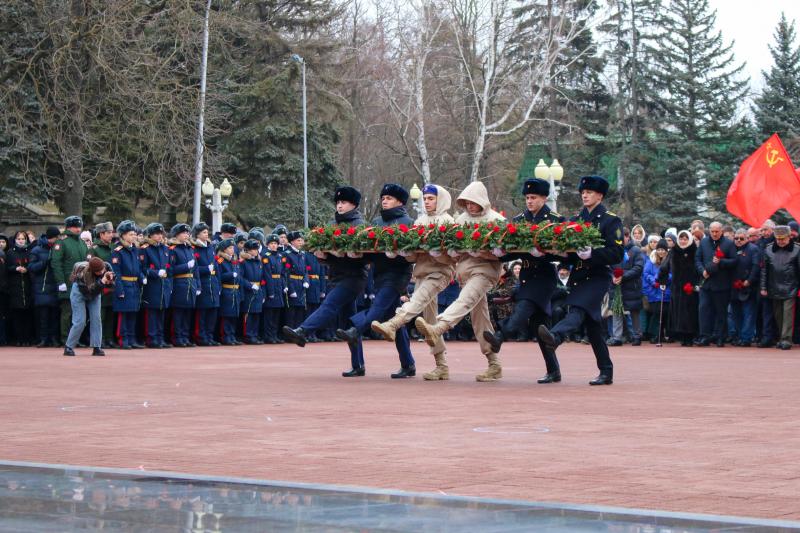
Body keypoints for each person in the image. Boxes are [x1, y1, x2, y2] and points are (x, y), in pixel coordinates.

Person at [415, 180, 506, 382]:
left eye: (473, 202)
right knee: (479, 318)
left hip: (485, 273)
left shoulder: (496, 220)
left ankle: (439, 326)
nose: (470, 206)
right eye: (467, 202)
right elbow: (452, 251)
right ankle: (494, 364)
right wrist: (453, 253)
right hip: (465, 273)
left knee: (463, 300)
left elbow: (504, 253)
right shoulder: (461, 219)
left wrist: (487, 253)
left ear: (482, 201)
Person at [537, 176, 623, 386]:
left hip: (598, 276)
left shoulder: (610, 220)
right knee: (593, 329)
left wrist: (592, 254)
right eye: (583, 192)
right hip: (579, 276)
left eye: (590, 192)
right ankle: (606, 371)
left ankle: (555, 337)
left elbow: (617, 252)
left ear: (600, 196)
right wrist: (552, 252)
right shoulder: (576, 220)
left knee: (576, 309)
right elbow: (568, 252)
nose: (585, 195)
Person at [370, 183, 456, 379]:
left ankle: (393, 324)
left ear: (440, 199)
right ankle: (441, 366)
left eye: (431, 198)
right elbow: (414, 256)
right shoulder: (419, 222)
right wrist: (404, 253)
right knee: (430, 322)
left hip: (440, 272)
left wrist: (438, 254)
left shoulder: (448, 221)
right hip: (423, 272)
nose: (427, 202)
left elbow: (453, 256)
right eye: (424, 199)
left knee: (416, 301)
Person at [283, 186, 370, 377]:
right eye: (338, 202)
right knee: (350, 323)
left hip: (354, 277)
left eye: (344, 202)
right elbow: (330, 256)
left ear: (353, 204)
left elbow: (365, 256)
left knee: (330, 304)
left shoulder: (359, 225)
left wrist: (345, 253)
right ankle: (358, 364)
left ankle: (303, 331)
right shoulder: (332, 224)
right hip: (337, 275)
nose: (340, 205)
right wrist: (322, 255)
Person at [334, 184, 417, 378]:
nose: (384, 200)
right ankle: (408, 364)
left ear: (400, 201)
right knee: (394, 321)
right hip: (379, 274)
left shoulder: (409, 222)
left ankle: (356, 329)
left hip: (398, 274)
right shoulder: (377, 222)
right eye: (383, 197)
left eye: (389, 198)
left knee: (378, 307)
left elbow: (412, 252)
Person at [483, 178, 563, 355]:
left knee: (524, 305)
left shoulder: (554, 220)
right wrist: (501, 253)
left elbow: (561, 251)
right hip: (526, 274)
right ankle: (553, 370)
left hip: (544, 275)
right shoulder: (520, 219)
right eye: (527, 197)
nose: (529, 201)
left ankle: (500, 335)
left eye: (533, 197)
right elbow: (515, 250)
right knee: (539, 325)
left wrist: (544, 253)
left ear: (544, 198)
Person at [694, 221, 736, 347]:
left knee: (721, 312)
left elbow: (734, 261)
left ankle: (720, 337)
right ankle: (704, 336)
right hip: (706, 284)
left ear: (721, 231)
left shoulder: (728, 244)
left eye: (717, 231)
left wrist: (721, 262)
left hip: (722, 284)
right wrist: (702, 271)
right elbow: (697, 259)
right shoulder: (704, 242)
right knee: (703, 310)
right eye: (712, 231)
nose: (714, 234)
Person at [51, 216, 91, 345]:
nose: (78, 229)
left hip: (82, 282)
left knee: (78, 313)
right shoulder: (61, 242)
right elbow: (56, 263)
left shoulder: (82, 242)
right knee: (67, 312)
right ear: (68, 227)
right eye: (75, 226)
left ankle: (75, 338)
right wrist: (60, 282)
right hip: (68, 282)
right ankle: (65, 338)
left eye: (79, 226)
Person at [760, 225, 800, 350]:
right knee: (778, 315)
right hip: (774, 286)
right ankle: (781, 338)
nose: (780, 241)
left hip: (791, 287)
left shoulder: (797, 250)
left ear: (789, 237)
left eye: (783, 239)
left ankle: (786, 340)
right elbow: (764, 270)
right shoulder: (768, 249)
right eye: (778, 239)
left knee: (788, 314)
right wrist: (763, 287)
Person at [63, 257, 113, 356]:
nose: (103, 271)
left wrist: (110, 281)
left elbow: (112, 285)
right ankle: (68, 347)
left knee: (96, 318)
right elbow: (91, 290)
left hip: (96, 292)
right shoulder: (83, 274)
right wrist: (102, 282)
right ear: (94, 271)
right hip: (80, 292)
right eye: (100, 271)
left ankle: (96, 347)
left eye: (103, 269)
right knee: (80, 321)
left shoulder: (106, 266)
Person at [659, 230, 699, 346]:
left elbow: (698, 267)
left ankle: (690, 336)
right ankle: (682, 336)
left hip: (690, 287)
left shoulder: (694, 251)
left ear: (689, 239)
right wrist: (662, 280)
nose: (683, 241)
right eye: (681, 239)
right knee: (679, 312)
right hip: (677, 287)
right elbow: (664, 266)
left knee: (690, 312)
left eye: (685, 239)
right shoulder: (674, 251)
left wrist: (696, 283)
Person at [111, 220, 144, 349]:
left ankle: (131, 338)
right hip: (124, 284)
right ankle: (123, 338)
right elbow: (116, 272)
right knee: (123, 315)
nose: (134, 236)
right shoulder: (118, 251)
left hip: (134, 285)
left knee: (132, 313)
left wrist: (141, 277)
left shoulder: (135, 250)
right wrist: (120, 289)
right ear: (123, 235)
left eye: (134, 234)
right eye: (131, 234)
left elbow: (139, 267)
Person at [608, 228, 644, 346]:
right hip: (616, 285)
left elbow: (638, 268)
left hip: (631, 286)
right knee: (616, 311)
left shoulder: (636, 251)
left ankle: (637, 335)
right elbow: (608, 267)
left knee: (634, 311)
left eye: (623, 236)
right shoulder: (614, 250)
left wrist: (623, 276)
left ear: (628, 236)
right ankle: (617, 337)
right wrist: (613, 276)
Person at [140, 223, 173, 348]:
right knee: (152, 313)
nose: (159, 236)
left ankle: (160, 338)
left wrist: (169, 284)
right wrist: (155, 273)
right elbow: (143, 268)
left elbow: (169, 267)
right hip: (152, 285)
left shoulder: (165, 249)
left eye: (161, 234)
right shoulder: (145, 249)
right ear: (150, 235)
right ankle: (151, 338)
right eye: (156, 234)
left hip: (164, 284)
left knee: (161, 312)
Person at [29, 227, 61, 347]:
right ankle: (43, 338)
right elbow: (31, 267)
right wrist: (45, 262)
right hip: (41, 287)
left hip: (55, 286)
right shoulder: (36, 250)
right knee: (43, 316)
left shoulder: (58, 248)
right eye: (57, 237)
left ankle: (53, 338)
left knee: (54, 315)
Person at [168, 223, 200, 347]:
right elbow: (171, 269)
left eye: (187, 233)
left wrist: (198, 285)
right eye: (184, 233)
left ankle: (185, 336)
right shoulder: (173, 250)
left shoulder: (190, 249)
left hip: (190, 283)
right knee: (178, 313)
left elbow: (196, 269)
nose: (186, 235)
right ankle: (177, 337)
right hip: (179, 283)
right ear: (177, 235)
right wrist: (185, 266)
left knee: (187, 312)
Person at [728, 228, 760, 347]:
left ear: (747, 238)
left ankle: (746, 338)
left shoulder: (753, 249)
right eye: (736, 238)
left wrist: (749, 281)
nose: (738, 241)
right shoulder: (731, 249)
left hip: (748, 287)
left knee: (748, 313)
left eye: (741, 238)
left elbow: (756, 267)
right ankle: (740, 336)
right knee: (736, 313)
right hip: (733, 286)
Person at [193, 222, 221, 346]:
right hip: (203, 283)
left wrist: (218, 284)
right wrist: (205, 269)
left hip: (213, 283)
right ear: (197, 234)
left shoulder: (210, 247)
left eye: (207, 232)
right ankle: (201, 337)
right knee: (202, 314)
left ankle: (209, 336)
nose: (206, 234)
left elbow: (216, 268)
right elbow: (194, 269)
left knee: (212, 313)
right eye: (203, 232)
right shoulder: (194, 248)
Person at [6, 231, 34, 345]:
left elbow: (32, 265)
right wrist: (16, 268)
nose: (21, 241)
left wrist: (27, 269)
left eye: (23, 239)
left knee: (27, 315)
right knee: (17, 315)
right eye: (19, 239)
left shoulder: (30, 252)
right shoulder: (10, 253)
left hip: (27, 285)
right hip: (15, 286)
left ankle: (27, 339)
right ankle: (18, 338)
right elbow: (7, 268)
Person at [92, 222, 117, 348]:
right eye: (108, 233)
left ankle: (109, 338)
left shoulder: (113, 248)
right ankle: (99, 340)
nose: (111, 235)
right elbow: (91, 267)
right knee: (100, 316)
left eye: (112, 232)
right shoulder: (94, 249)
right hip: (101, 286)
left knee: (110, 315)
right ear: (101, 234)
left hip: (112, 286)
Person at [642, 240, 670, 344]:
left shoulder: (669, 260)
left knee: (664, 313)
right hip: (654, 291)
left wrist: (664, 279)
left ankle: (661, 334)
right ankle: (654, 334)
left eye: (663, 249)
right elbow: (646, 273)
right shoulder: (652, 260)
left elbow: (671, 274)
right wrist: (655, 280)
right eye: (659, 249)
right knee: (656, 313)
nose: (661, 252)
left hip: (666, 291)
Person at [262, 234, 287, 344]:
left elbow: (283, 273)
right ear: (268, 245)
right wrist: (270, 291)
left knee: (277, 313)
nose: (274, 245)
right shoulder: (266, 256)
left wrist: (284, 285)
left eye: (275, 243)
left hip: (278, 285)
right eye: (272, 243)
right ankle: (268, 336)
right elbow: (267, 274)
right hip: (270, 285)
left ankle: (274, 334)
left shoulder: (280, 256)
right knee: (269, 314)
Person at [239, 239, 265, 344]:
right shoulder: (244, 262)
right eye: (253, 249)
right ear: (248, 250)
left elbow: (262, 278)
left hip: (258, 289)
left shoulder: (259, 261)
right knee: (249, 314)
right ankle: (248, 335)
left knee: (256, 314)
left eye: (256, 249)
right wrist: (250, 285)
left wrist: (263, 293)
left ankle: (254, 334)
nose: (256, 251)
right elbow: (241, 278)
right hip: (248, 290)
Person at [216, 238, 241, 345]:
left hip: (235, 290)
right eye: (230, 248)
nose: (232, 249)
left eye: (233, 247)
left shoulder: (234, 260)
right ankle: (225, 336)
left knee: (234, 315)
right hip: (226, 289)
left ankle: (232, 335)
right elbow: (219, 276)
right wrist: (230, 275)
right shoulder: (220, 260)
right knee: (226, 315)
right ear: (224, 250)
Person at [284, 231, 309, 329]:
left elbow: (306, 270)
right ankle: (290, 332)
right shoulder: (287, 254)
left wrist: (306, 280)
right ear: (292, 242)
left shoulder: (302, 254)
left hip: (301, 284)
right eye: (298, 240)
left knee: (300, 310)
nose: (301, 242)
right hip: (293, 283)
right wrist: (291, 289)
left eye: (302, 240)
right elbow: (286, 272)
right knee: (291, 311)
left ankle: (298, 331)